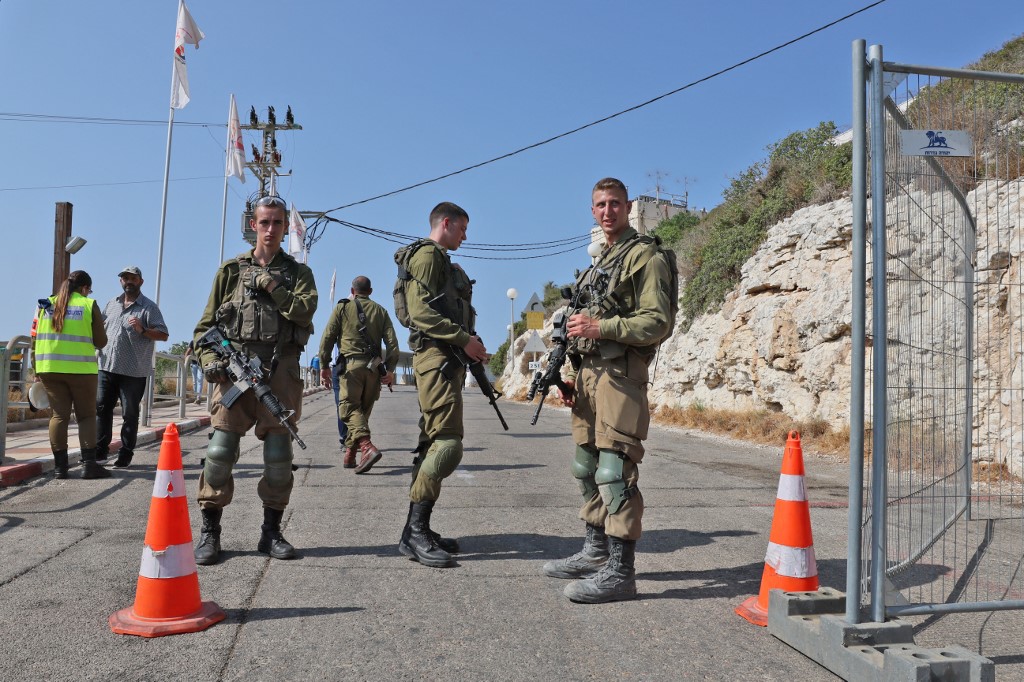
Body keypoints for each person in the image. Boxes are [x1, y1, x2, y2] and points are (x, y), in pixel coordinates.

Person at [542, 177, 677, 603]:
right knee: (585, 467)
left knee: (614, 471)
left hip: (620, 375)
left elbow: (657, 321)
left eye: (615, 203)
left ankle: (621, 573)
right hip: (588, 375)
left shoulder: (645, 256)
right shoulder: (600, 261)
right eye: (600, 204)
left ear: (628, 206)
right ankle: (595, 549)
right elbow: (579, 326)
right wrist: (568, 374)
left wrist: (601, 327)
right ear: (592, 209)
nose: (607, 211)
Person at [191, 195, 317, 565]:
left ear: (285, 227)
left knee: (279, 456)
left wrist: (273, 286)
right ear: (253, 225)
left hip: (279, 372)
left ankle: (271, 532)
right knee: (219, 452)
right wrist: (211, 361)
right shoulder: (230, 271)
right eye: (264, 222)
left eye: (277, 223)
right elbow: (205, 328)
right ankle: (210, 533)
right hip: (234, 372)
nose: (271, 229)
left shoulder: (298, 274)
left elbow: (304, 312)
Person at [393, 202, 487, 568]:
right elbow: (420, 313)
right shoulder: (429, 255)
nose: (465, 236)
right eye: (462, 228)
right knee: (447, 445)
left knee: (432, 443)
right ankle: (416, 532)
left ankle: (415, 531)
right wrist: (463, 340)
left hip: (444, 358)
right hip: (437, 358)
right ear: (445, 223)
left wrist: (469, 344)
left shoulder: (439, 259)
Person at [30, 271, 109, 479]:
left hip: (49, 369)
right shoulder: (88, 305)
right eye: (89, 290)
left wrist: (36, 371)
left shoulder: (44, 305)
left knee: (58, 416)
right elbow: (101, 342)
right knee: (86, 416)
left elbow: (33, 340)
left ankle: (60, 468)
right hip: (81, 370)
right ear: (85, 288)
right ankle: (89, 466)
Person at [317, 276, 399, 472]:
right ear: (370, 291)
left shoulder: (342, 308)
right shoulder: (381, 311)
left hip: (350, 368)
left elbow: (328, 337)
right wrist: (390, 369)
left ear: (352, 291)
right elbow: (393, 344)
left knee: (348, 410)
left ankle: (366, 447)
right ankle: (350, 455)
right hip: (373, 370)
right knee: (361, 414)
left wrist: (324, 365)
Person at [95, 266, 169, 469]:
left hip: (133, 371)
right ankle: (100, 452)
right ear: (121, 281)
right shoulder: (111, 303)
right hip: (106, 366)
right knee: (102, 409)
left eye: (133, 278)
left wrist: (142, 330)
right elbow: (100, 327)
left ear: (140, 282)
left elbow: (163, 334)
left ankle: (125, 454)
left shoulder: (149, 307)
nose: (128, 281)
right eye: (125, 278)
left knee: (129, 414)